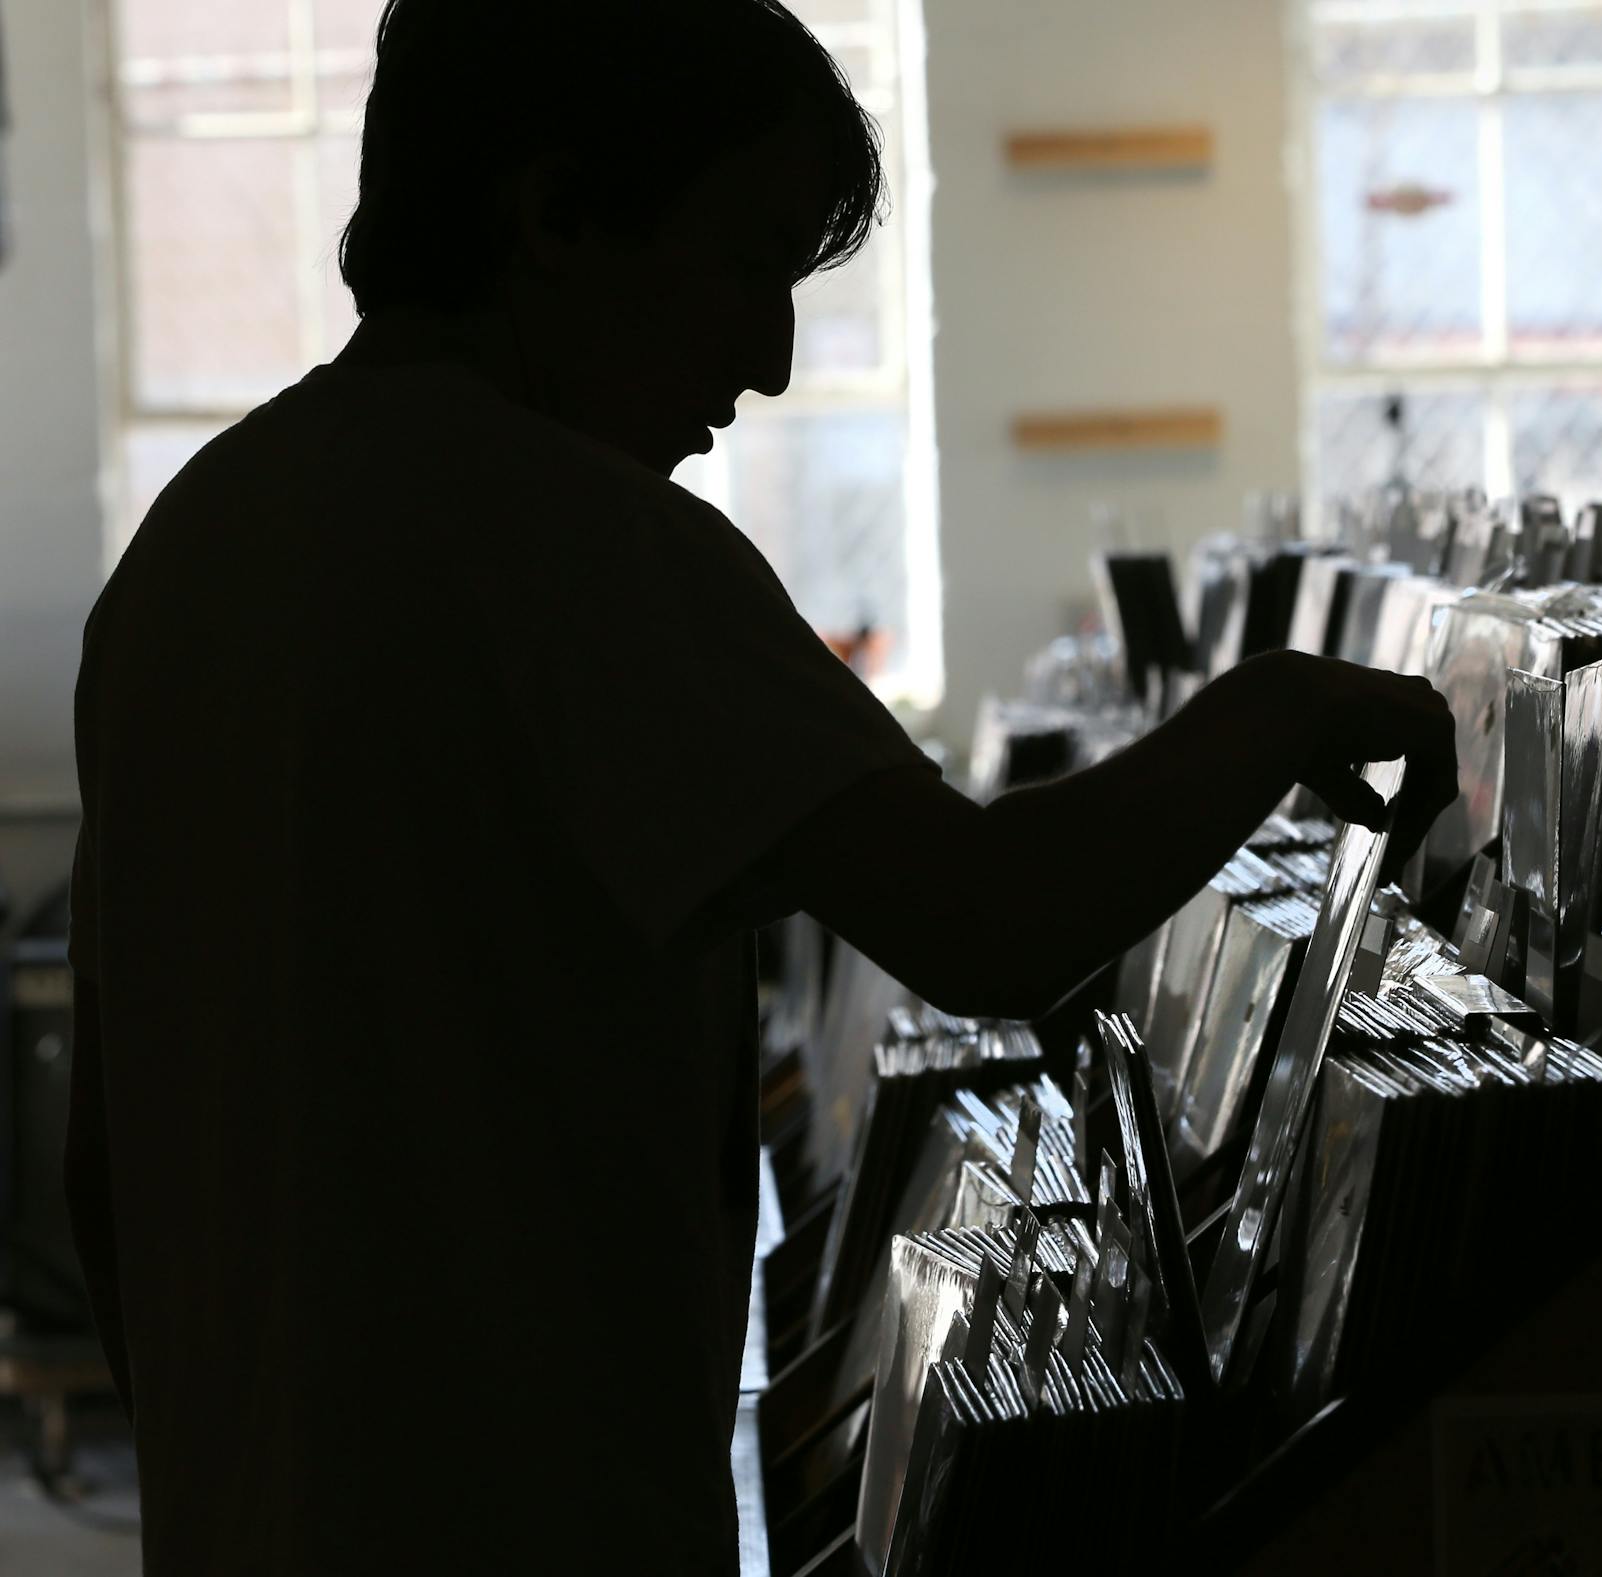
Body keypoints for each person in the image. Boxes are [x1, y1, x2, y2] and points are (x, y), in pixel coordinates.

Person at [63, 2, 1457, 1572]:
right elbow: (989, 921)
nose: (773, 360)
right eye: (746, 264)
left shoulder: (186, 559)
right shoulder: (584, 552)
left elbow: (101, 1162)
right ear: (556, 219)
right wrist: (1271, 711)